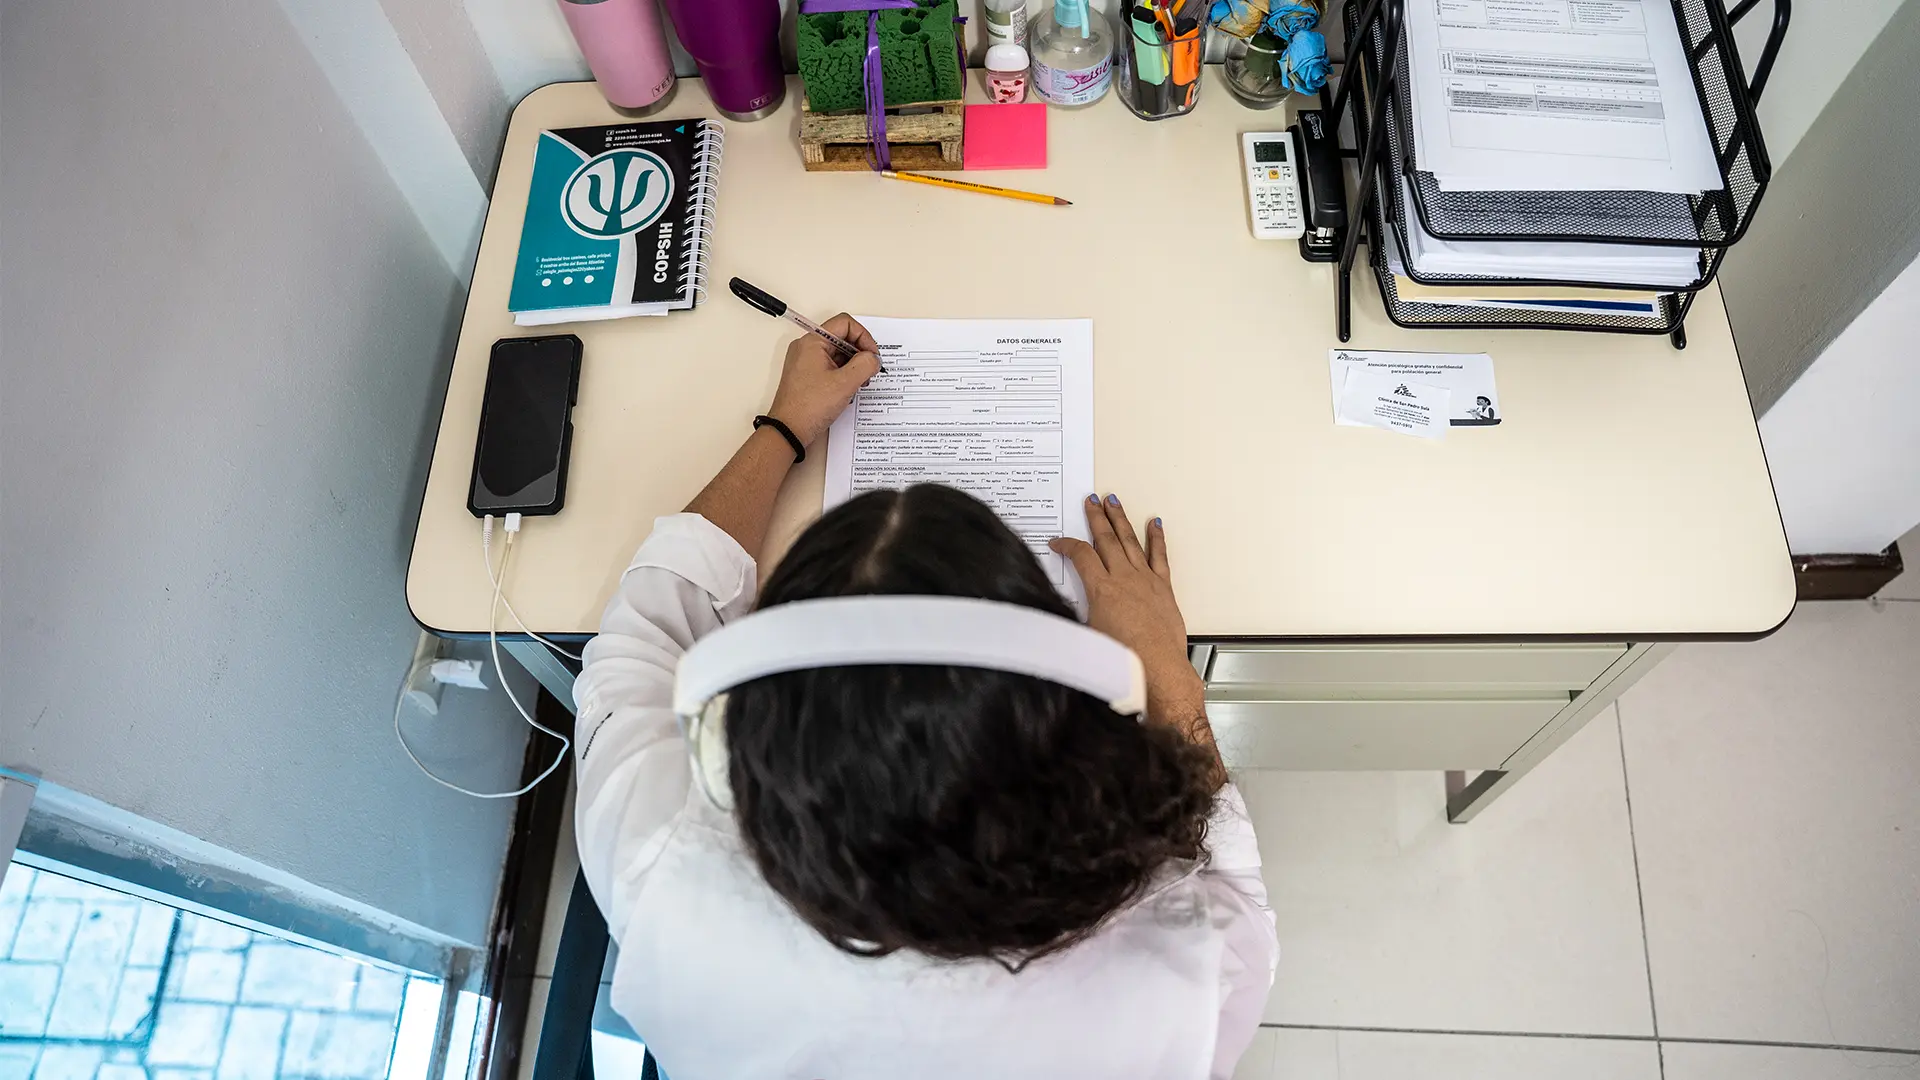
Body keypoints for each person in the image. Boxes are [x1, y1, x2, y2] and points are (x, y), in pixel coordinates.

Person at [572, 315, 1277, 1079]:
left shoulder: (657, 869)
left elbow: (645, 629)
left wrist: (784, 428)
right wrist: (1166, 673)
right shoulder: (1178, 978)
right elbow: (1228, 877)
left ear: (739, 736)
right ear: (1060, 727)